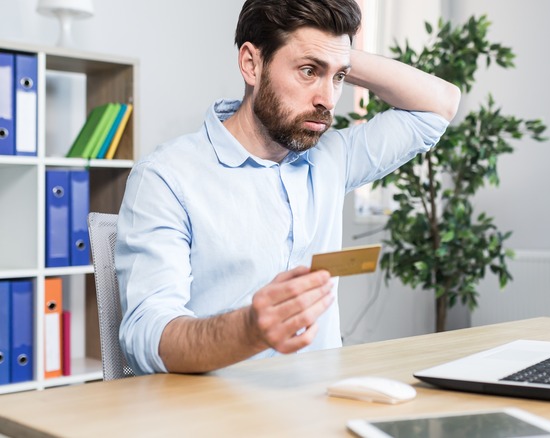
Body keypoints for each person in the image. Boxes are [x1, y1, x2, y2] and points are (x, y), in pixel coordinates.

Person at [115, 0, 461, 375]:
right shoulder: (166, 177)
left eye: (338, 78)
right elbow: (146, 336)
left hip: (323, 404)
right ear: (251, 63)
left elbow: (440, 105)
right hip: (217, 414)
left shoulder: (332, 157)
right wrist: (248, 329)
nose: (327, 99)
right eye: (308, 71)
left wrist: (337, 56)